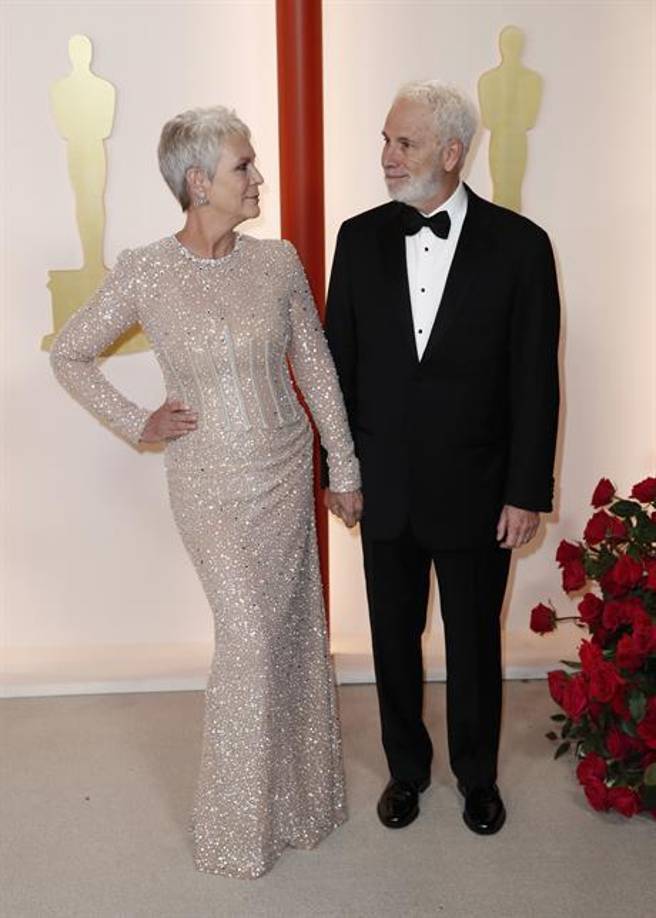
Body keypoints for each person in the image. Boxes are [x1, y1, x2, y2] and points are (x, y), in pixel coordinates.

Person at [50, 105, 362, 878]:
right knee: (249, 636)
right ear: (198, 183)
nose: (258, 178)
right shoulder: (147, 271)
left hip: (285, 469)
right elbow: (71, 354)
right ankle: (234, 831)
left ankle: (300, 806)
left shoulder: (279, 261)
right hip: (208, 483)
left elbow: (315, 366)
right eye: (243, 167)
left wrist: (344, 467)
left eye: (252, 165)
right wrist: (141, 421)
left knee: (290, 634)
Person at [323, 81, 559, 835]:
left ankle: (478, 776)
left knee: (475, 644)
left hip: (479, 490)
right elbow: (339, 365)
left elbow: (534, 379)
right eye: (386, 141)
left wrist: (527, 491)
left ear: (453, 153)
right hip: (383, 486)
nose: (386, 157)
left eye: (405, 143)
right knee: (392, 641)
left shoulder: (522, 246)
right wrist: (340, 471)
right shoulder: (356, 239)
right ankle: (406, 770)